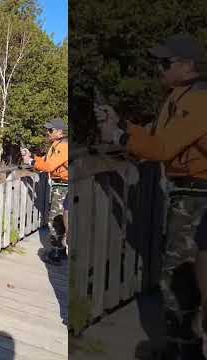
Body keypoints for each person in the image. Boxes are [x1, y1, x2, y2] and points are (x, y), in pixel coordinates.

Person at [96, 34, 207, 359]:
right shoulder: (178, 96)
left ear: (188, 65)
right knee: (180, 275)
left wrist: (118, 135)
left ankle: (184, 351)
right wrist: (123, 126)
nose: (159, 68)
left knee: (178, 278)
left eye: (166, 62)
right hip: (186, 194)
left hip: (197, 196)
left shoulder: (198, 100)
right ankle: (181, 346)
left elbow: (162, 148)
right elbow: (157, 137)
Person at [21, 118, 68, 266]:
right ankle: (59, 250)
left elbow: (49, 166)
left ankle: (56, 253)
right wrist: (32, 157)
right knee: (58, 220)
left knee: (55, 220)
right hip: (60, 186)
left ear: (60, 131)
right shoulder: (57, 145)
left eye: (51, 130)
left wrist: (31, 162)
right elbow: (45, 161)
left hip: (63, 186)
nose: (48, 132)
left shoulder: (63, 146)